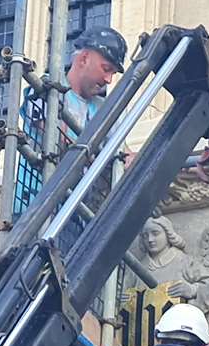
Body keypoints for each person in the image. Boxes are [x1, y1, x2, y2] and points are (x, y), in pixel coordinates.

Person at [16, 25, 129, 212]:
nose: (108, 80)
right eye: (106, 69)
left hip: (76, 211)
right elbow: (58, 136)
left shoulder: (104, 109)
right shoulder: (48, 87)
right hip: (36, 203)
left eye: (112, 73)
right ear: (84, 59)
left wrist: (129, 158)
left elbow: (121, 152)